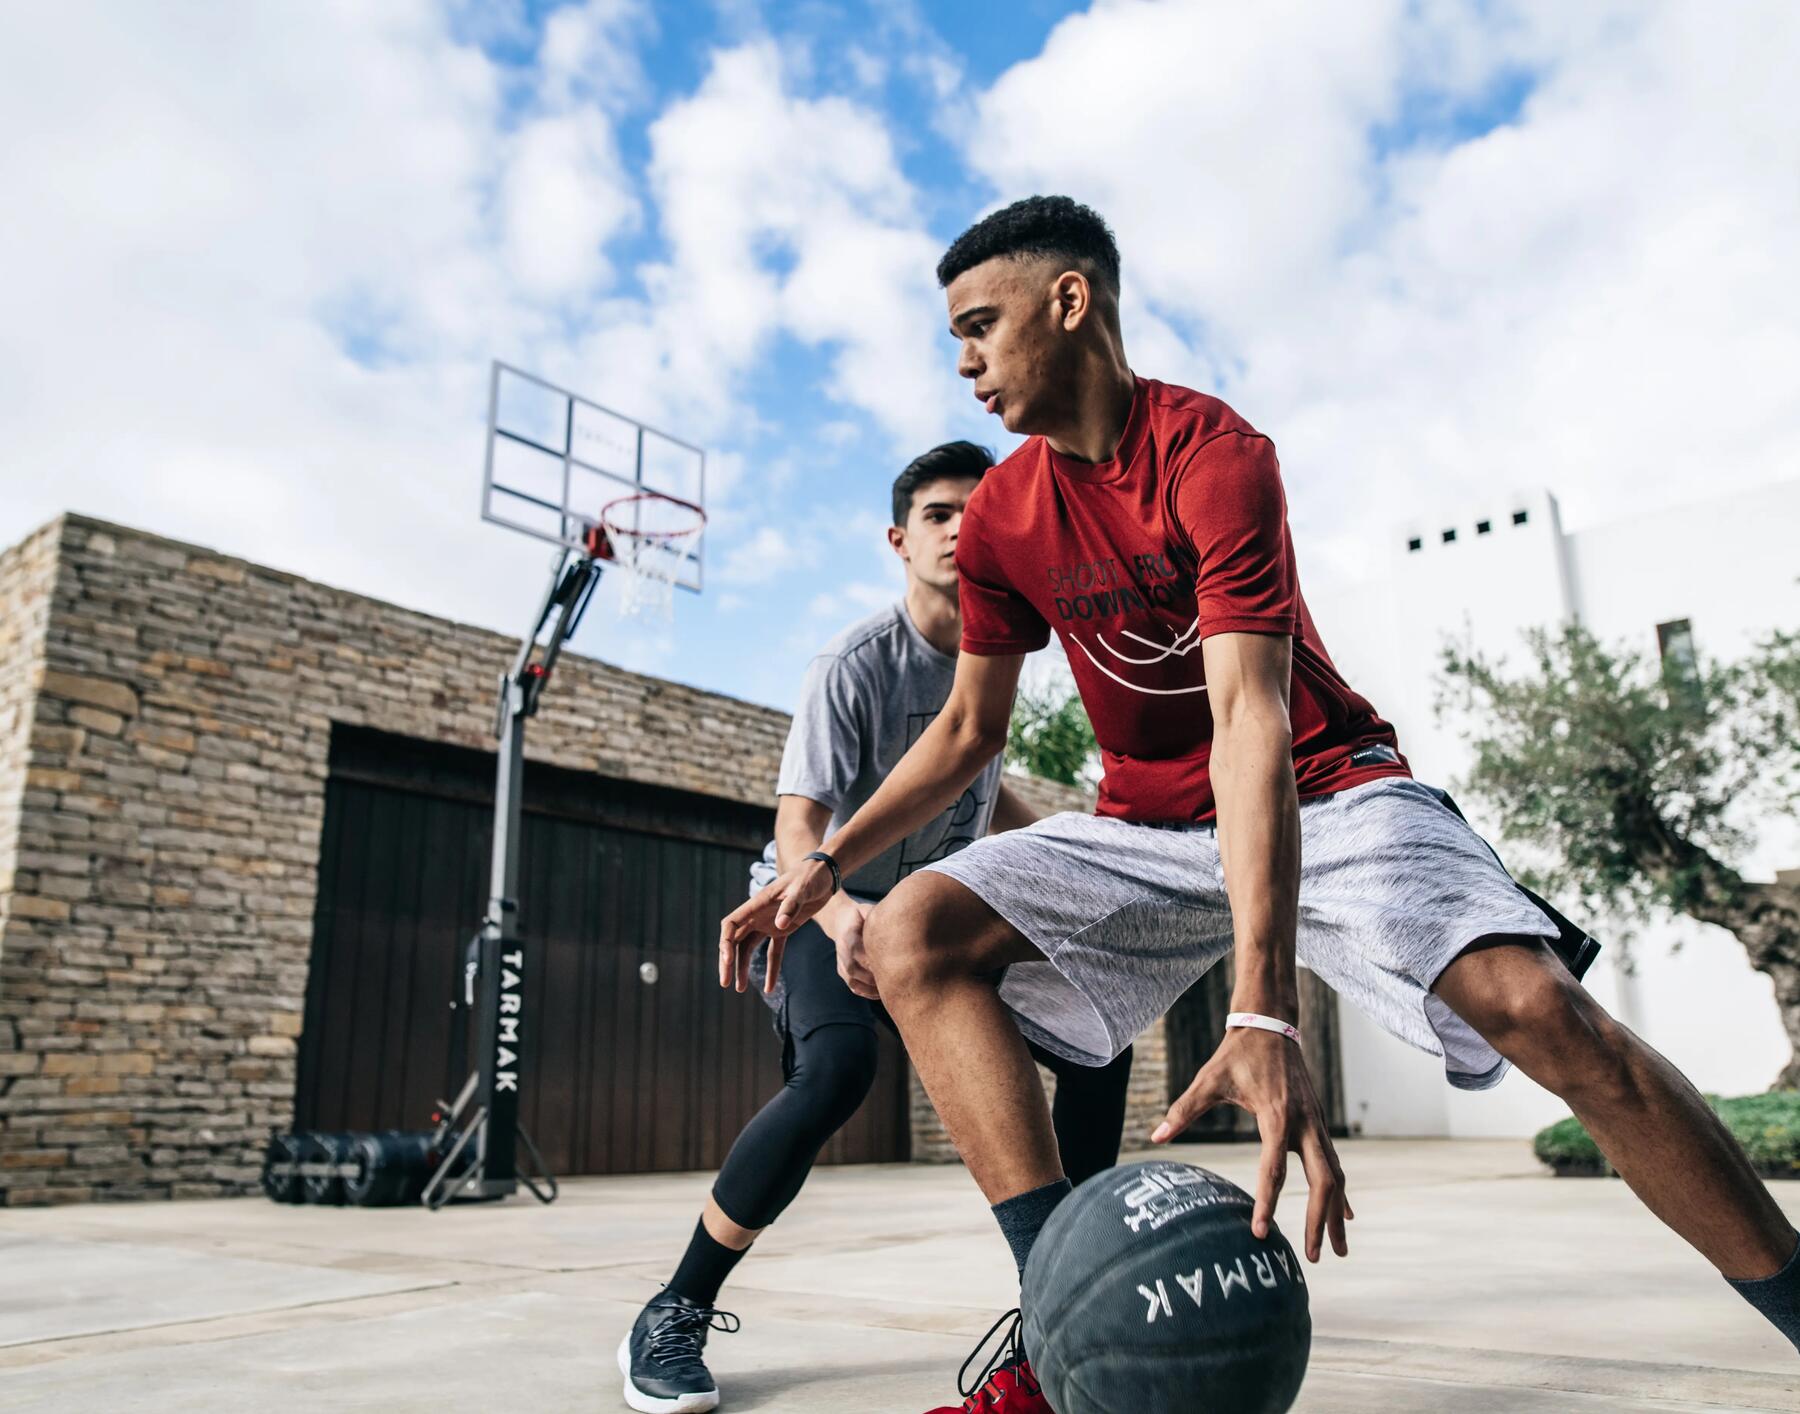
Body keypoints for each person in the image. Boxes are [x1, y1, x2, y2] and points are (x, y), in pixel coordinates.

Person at [722, 196, 1800, 1413]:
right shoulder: (1007, 519)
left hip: (1327, 790)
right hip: (1142, 826)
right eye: (953, 337)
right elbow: (971, 731)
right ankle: (1066, 1322)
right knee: (911, 927)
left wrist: (1264, 1012)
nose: (963, 360)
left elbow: (1253, 723)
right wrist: (826, 864)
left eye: (981, 325)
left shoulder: (1215, 455)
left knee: (1539, 1007)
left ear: (1069, 301)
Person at [621, 439, 1135, 1414]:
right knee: (839, 1073)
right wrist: (844, 912)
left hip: (929, 925)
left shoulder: (998, 658)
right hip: (821, 908)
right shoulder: (856, 663)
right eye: (941, 513)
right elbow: (797, 827)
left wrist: (1082, 843)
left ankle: (1065, 1295)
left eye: (979, 514)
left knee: (1097, 1035)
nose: (960, 530)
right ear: (900, 539)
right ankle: (675, 1305)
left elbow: (986, 798)